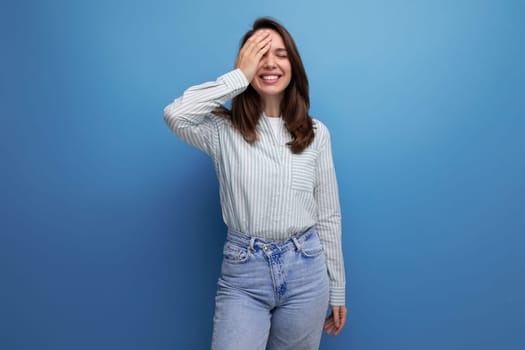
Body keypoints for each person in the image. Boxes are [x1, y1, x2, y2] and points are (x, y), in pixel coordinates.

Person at [163, 17, 347, 350]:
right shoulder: (221, 130)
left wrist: (337, 288)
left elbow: (328, 216)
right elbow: (176, 114)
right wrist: (238, 77)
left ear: (293, 64)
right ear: (246, 63)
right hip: (244, 273)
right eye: (259, 54)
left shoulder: (317, 134)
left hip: (307, 271)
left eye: (280, 54)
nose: (270, 63)